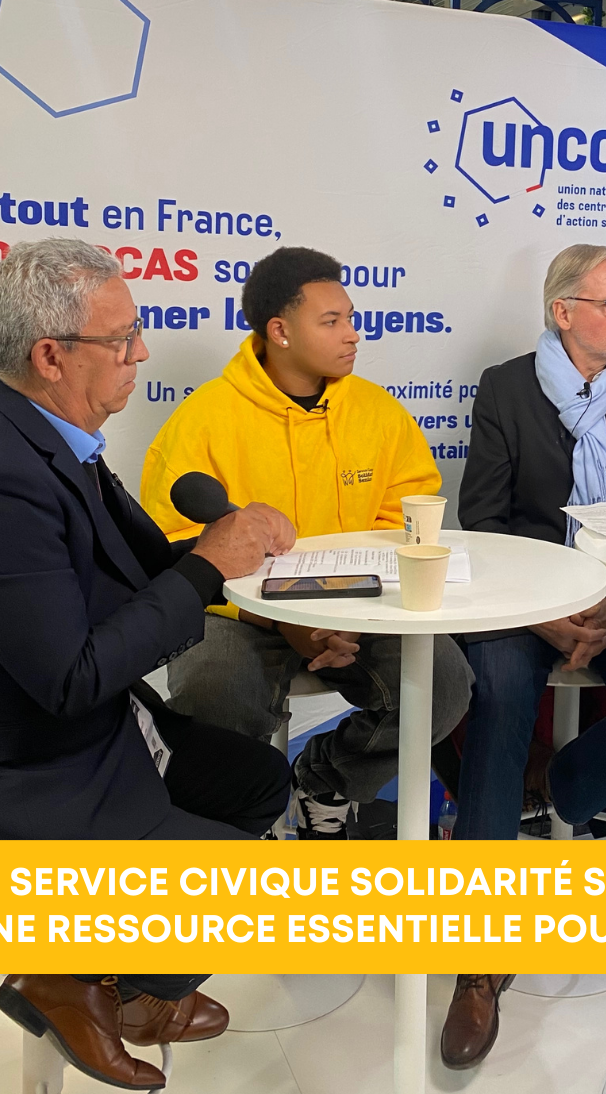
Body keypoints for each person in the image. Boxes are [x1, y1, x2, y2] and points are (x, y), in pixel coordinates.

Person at [0, 239, 296, 1089]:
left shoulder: (55, 441)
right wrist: (206, 567)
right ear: (51, 356)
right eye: (123, 338)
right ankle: (64, 976)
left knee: (260, 783)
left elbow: (130, 579)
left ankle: (119, 982)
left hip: (99, 731)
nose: (141, 353)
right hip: (23, 770)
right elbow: (70, 678)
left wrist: (228, 550)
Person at [441, 244, 606, 1069]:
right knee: (499, 704)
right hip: (527, 600)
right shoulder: (508, 388)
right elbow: (484, 518)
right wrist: (550, 615)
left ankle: (562, 790)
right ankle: (479, 963)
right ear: (564, 313)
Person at [140, 246, 472, 839]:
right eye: (332, 321)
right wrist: (280, 616)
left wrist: (352, 609)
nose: (353, 333)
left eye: (351, 317)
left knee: (444, 687)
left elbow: (405, 520)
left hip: (359, 608)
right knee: (214, 695)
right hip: (237, 614)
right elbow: (176, 544)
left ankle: (325, 781)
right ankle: (242, 823)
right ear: (280, 331)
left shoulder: (378, 412)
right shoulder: (203, 420)